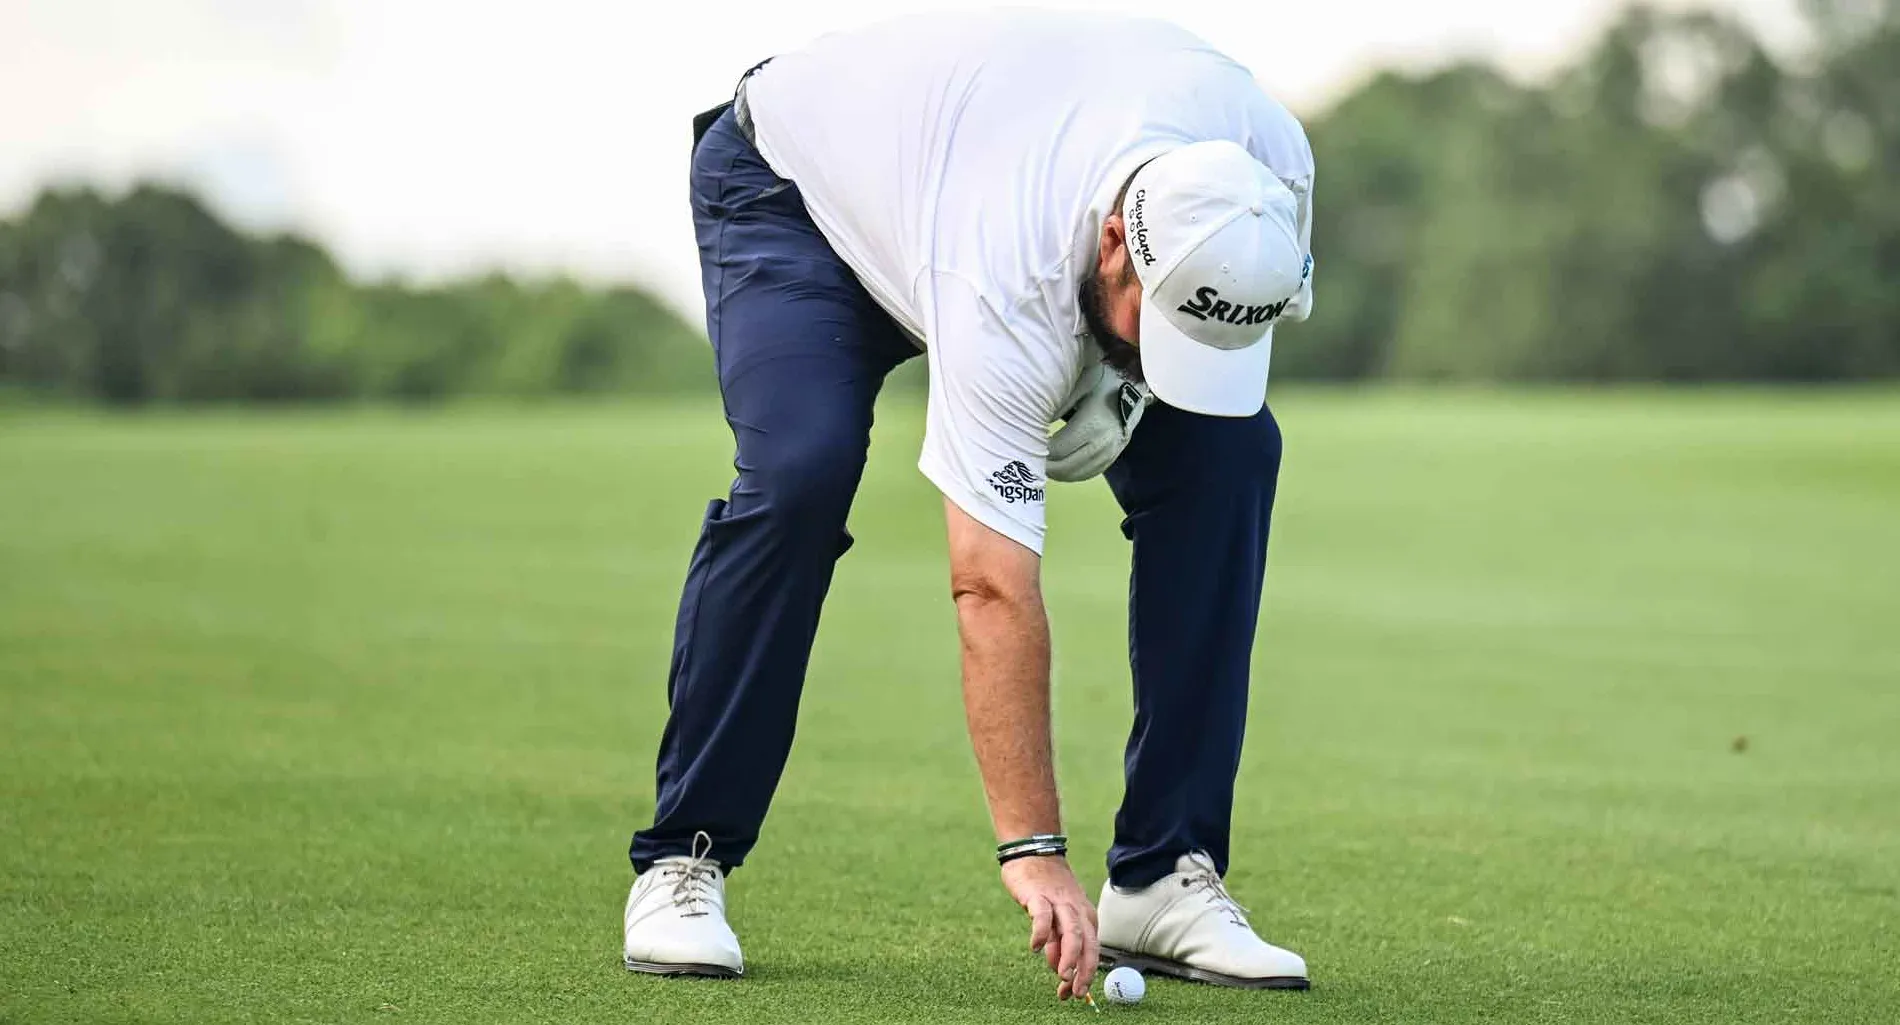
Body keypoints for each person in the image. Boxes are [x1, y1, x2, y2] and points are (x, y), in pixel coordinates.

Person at [622, 9, 1317, 1001]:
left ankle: (1165, 875)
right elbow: (989, 582)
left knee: (1230, 453)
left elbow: (1215, 314)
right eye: (1152, 322)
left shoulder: (1272, 174)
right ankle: (682, 859)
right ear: (1116, 243)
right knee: (801, 477)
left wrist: (1126, 374)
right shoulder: (1007, 268)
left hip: (969, 169)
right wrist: (1031, 847)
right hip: (798, 191)